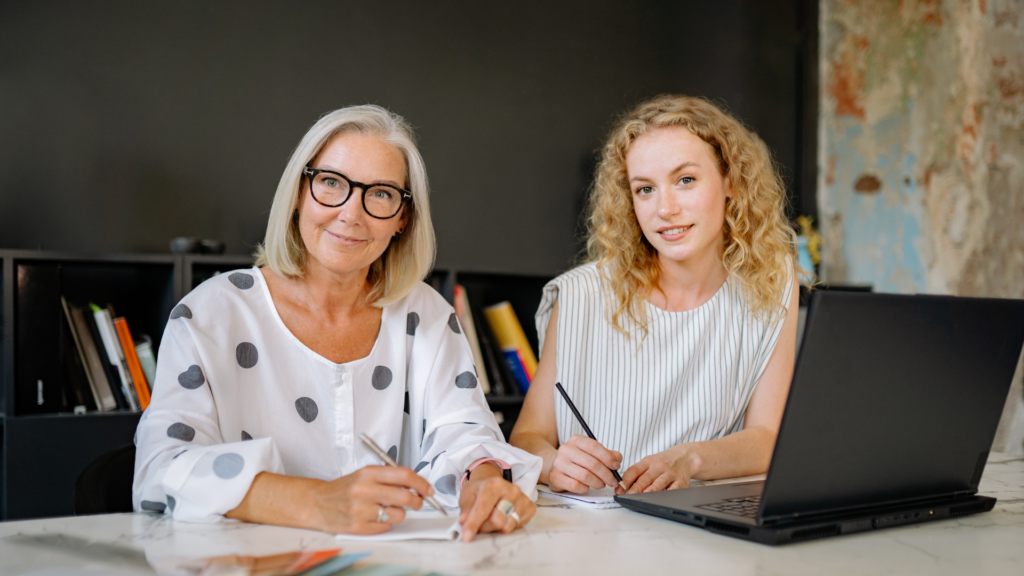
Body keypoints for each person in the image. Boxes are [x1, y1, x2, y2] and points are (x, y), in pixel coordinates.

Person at [133, 105, 540, 541]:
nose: (351, 214)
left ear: (403, 220)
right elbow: (161, 471)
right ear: (298, 193)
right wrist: (316, 502)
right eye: (331, 183)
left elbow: (464, 431)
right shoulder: (209, 316)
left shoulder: (428, 316)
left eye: (381, 193)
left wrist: (484, 481)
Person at [510, 95, 801, 496]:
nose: (665, 208)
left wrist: (690, 459)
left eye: (685, 180)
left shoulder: (773, 282)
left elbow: (768, 438)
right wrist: (553, 464)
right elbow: (526, 438)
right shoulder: (580, 294)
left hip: (705, 525)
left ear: (731, 180)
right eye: (645, 189)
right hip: (594, 529)